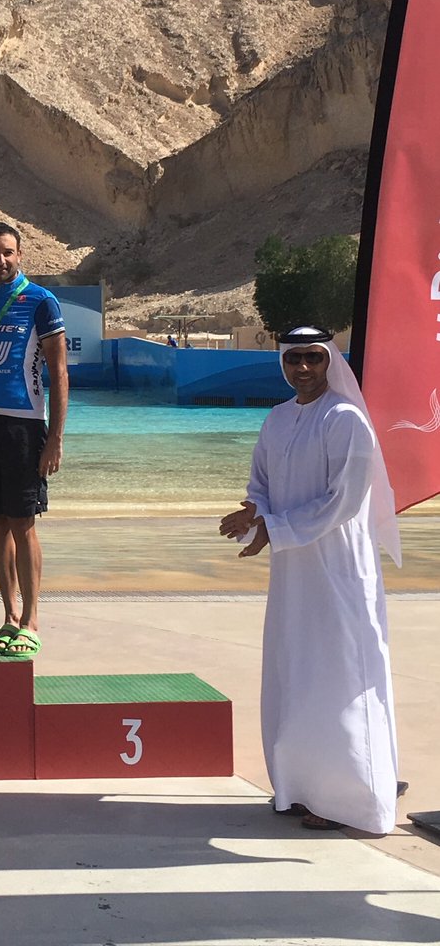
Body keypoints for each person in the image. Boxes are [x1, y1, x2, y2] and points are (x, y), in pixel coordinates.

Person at [219, 326, 401, 833]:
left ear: (329, 362)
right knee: (296, 669)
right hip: (293, 571)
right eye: (294, 358)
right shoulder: (277, 419)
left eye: (313, 358)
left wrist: (274, 529)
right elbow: (262, 482)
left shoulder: (347, 421)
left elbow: (342, 503)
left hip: (339, 570)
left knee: (340, 676)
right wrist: (255, 516)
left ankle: (351, 800)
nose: (303, 367)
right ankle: (301, 786)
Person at [0, 221, 67, 659]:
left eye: (7, 253)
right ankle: (7, 614)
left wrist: (55, 437)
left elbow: (59, 373)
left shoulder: (41, 300)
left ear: (19, 254)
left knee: (23, 524)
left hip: (23, 424)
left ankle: (31, 620)